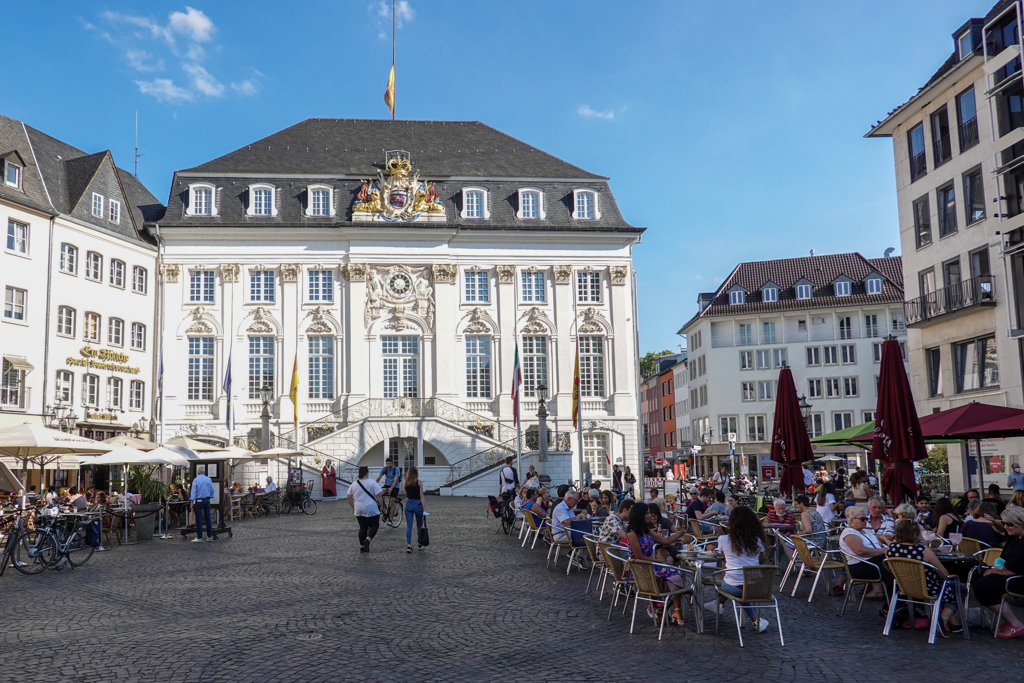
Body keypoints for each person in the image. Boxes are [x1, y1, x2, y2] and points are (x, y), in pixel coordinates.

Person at [885, 519, 961, 632]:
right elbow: (944, 573)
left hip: (903, 587)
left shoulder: (891, 549)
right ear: (915, 534)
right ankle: (943, 618)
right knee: (959, 588)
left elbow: (891, 569)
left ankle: (953, 623)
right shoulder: (923, 551)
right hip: (927, 589)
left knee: (950, 587)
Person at [709, 505, 771, 633]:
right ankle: (755, 620)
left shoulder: (724, 539)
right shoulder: (757, 541)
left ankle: (718, 603)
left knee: (729, 583)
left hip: (735, 586)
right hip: (757, 586)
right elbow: (761, 560)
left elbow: (726, 559)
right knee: (742, 586)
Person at [626, 503, 688, 626]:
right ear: (640, 515)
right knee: (671, 576)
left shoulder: (646, 530)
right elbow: (639, 556)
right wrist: (659, 561)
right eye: (647, 513)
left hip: (651, 565)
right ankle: (657, 607)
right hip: (640, 568)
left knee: (674, 575)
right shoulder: (632, 533)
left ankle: (674, 610)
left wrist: (681, 533)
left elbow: (665, 541)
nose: (650, 515)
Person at [969, 506, 1024, 637]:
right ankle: (1008, 619)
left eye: (1009, 524)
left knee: (983, 586)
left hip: (1017, 577)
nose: (1006, 526)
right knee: (976, 577)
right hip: (1011, 573)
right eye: (1004, 523)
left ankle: (1015, 624)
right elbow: (1002, 529)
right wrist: (995, 522)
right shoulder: (1016, 535)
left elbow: (1011, 570)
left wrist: (992, 572)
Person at [838, 505, 893, 598]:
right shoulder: (849, 533)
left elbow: (875, 539)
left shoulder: (864, 531)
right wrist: (883, 551)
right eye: (862, 519)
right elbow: (860, 551)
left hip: (874, 561)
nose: (866, 521)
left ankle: (900, 598)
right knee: (891, 572)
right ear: (852, 520)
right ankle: (894, 602)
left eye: (866, 518)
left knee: (899, 567)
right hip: (860, 566)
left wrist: (883, 539)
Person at [347, 466, 384, 553]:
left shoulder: (354, 484)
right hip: (371, 507)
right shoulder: (372, 482)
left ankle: (362, 547)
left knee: (362, 527)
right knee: (374, 525)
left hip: (358, 508)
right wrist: (381, 506)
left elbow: (348, 497)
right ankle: (367, 540)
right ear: (367, 473)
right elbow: (379, 495)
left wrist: (353, 506)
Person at [403, 466, 426, 553]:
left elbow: (406, 494)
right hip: (417, 504)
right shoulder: (419, 482)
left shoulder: (405, 483)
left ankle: (409, 545)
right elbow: (421, 496)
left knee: (409, 526)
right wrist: (424, 509)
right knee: (419, 525)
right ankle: (420, 543)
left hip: (409, 504)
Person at [190, 470, 215, 543]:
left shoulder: (196, 480)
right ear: (204, 472)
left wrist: (192, 501)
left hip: (199, 501)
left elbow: (193, 491)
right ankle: (209, 536)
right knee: (208, 519)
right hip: (207, 500)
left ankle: (199, 537)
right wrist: (210, 496)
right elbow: (212, 489)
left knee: (199, 519)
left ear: (198, 473)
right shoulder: (208, 479)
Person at [377, 457, 403, 521]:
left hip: (395, 486)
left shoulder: (396, 469)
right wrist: (373, 485)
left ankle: (390, 520)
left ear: (392, 463)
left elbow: (395, 480)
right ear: (386, 464)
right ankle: (383, 507)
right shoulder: (384, 468)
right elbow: (379, 477)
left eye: (390, 463)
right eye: (387, 464)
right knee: (379, 494)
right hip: (387, 485)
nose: (388, 465)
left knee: (392, 503)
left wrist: (391, 488)